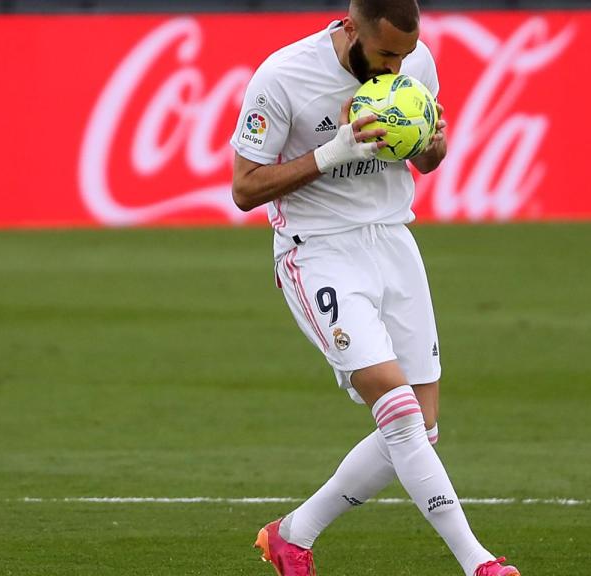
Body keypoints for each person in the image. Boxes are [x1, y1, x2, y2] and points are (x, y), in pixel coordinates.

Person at [229, 2, 519, 575]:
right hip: (319, 252)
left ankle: (293, 535)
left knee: (421, 429)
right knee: (399, 408)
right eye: (386, 54)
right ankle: (478, 563)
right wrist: (332, 152)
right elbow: (244, 187)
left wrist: (429, 139)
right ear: (349, 29)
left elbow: (429, 161)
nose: (396, 68)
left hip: (393, 241)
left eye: (404, 55)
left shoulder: (415, 63)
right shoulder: (284, 76)